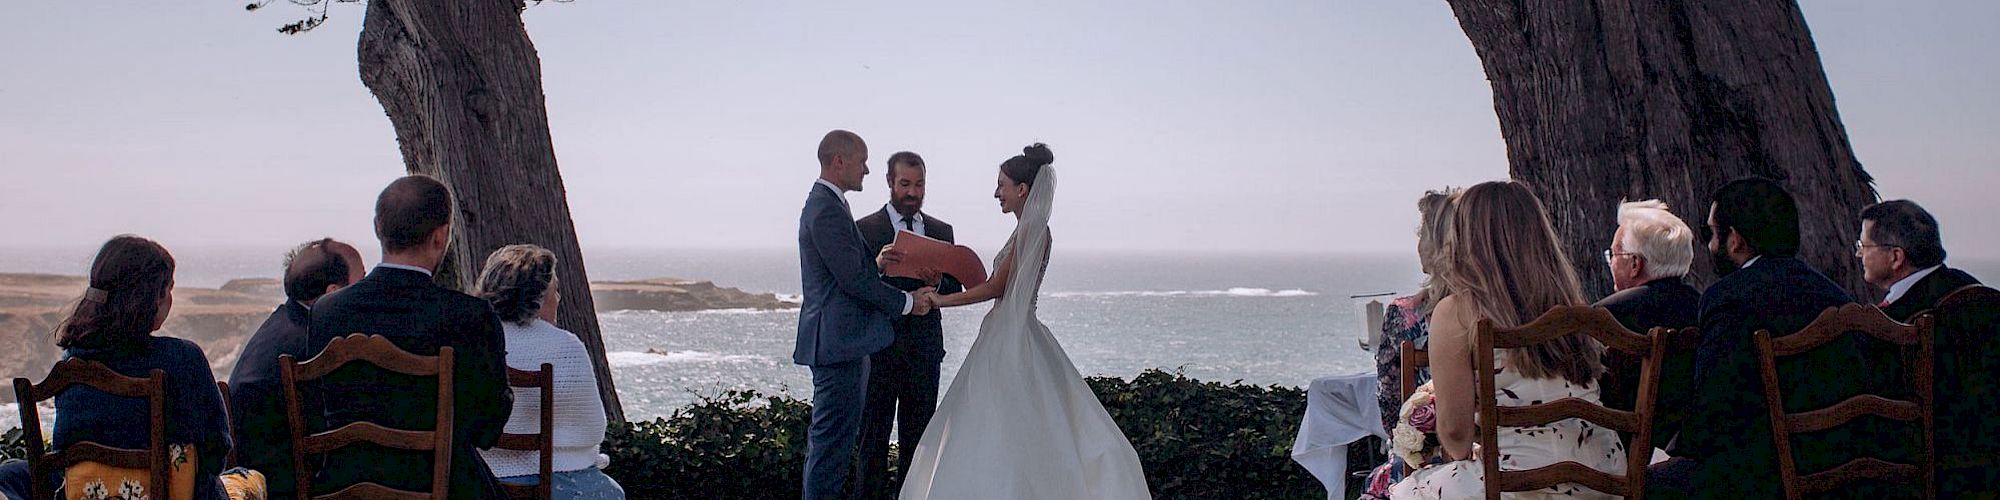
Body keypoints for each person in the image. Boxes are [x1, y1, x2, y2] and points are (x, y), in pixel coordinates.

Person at [899, 143, 1151, 500]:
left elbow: (994, 287)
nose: (996, 192)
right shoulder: (1028, 230)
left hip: (1009, 333)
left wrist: (940, 300)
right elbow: (993, 283)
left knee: (1000, 425)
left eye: (1002, 184)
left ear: (1023, 190)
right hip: (1011, 330)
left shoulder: (1032, 230)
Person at [1389, 181, 1625, 499]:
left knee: (1407, 492)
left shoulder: (1457, 312)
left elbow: (1456, 437)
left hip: (1519, 485)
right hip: (1603, 476)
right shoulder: (1571, 308)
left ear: (1466, 239)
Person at [1649, 177, 1877, 498]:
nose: (1710, 245)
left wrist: (1674, 450)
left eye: (1711, 233)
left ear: (1736, 240)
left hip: (1763, 477)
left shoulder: (1728, 298)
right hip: (1843, 470)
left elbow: (1715, 406)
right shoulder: (1837, 297)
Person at [305, 175, 513, 499]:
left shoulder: (326, 311)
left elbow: (315, 412)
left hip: (345, 486)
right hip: (442, 485)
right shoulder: (469, 316)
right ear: (440, 236)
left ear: (377, 228)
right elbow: (487, 428)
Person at [4, 236, 237, 500]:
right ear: (150, 298)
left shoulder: (70, 367)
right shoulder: (183, 358)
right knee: (243, 478)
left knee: (12, 471)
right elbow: (217, 449)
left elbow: (63, 453)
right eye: (168, 288)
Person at [794, 130, 936, 500]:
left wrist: (874, 264)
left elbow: (849, 274)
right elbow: (853, 281)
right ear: (838, 161)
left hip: (842, 344)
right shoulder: (826, 208)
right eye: (862, 161)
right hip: (838, 345)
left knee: (833, 448)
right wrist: (907, 302)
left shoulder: (830, 204)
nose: (867, 170)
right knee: (830, 451)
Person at [471, 245, 625, 499]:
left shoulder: (471, 339)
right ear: (537, 297)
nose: (559, 299)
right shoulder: (566, 347)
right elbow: (594, 427)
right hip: (557, 481)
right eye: (555, 290)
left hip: (479, 476)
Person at [854, 151, 963, 498]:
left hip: (923, 352)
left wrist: (938, 280)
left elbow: (954, 287)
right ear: (889, 183)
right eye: (905, 184)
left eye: (919, 185)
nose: (912, 192)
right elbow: (856, 288)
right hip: (878, 352)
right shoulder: (865, 229)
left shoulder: (941, 230)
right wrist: (878, 265)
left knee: (919, 446)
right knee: (872, 441)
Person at [226, 238, 365, 500]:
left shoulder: (284, 323)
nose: (368, 289)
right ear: (333, 292)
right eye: (363, 280)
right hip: (286, 482)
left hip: (259, 468)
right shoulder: (313, 344)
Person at [1591, 200, 1700, 438]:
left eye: (1614, 254)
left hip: (1624, 448)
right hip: (1691, 445)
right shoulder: (1704, 307)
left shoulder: (1605, 316)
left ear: (1634, 264)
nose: (1610, 262)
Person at [1373, 189, 1457, 436]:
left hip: (1433, 451)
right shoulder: (1500, 311)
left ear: (1435, 245)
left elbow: (1390, 409)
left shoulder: (1405, 314)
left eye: (1421, 235)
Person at [1857, 199, 1982, 322]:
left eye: (1863, 246)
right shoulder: (1974, 289)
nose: (1858, 254)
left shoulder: (1894, 320)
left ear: (1896, 257)